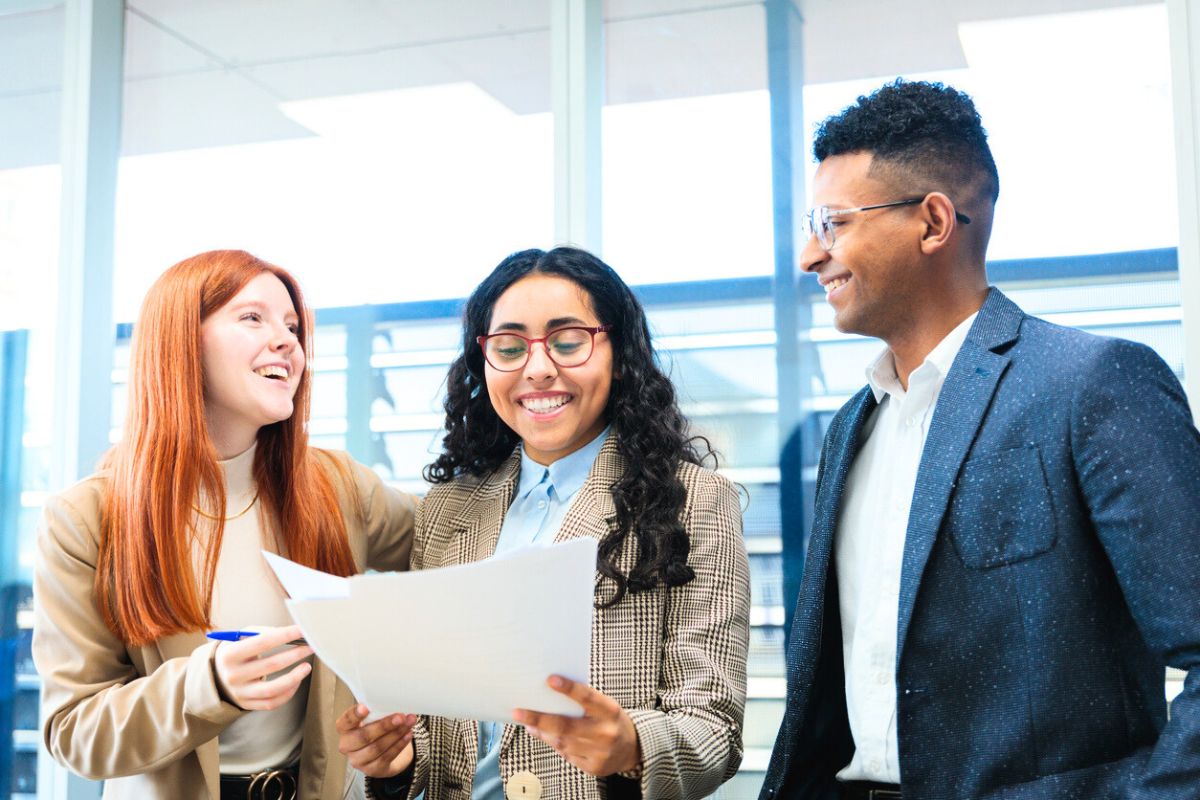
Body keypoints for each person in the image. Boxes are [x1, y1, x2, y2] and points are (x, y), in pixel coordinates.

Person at [759, 79, 1200, 800]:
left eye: (831, 222)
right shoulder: (849, 427)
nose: (810, 255)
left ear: (933, 222)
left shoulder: (1092, 383)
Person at [335, 246, 751, 800]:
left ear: (619, 355)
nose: (537, 368)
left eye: (568, 341)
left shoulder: (695, 501)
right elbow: (440, 729)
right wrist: (396, 760)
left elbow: (715, 728)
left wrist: (630, 745)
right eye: (509, 347)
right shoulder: (447, 509)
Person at [33, 250, 417, 799]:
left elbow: (457, 541)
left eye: (292, 326)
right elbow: (74, 733)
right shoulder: (85, 520)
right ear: (181, 342)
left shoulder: (339, 488)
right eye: (252, 317)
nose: (288, 341)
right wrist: (206, 684)